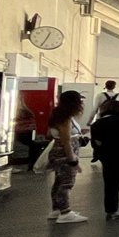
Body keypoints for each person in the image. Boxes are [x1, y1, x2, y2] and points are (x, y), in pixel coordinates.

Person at [46, 90, 88, 223]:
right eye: (79, 101)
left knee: (59, 181)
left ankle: (57, 209)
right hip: (64, 154)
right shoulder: (65, 118)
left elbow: (50, 134)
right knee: (67, 183)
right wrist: (72, 160)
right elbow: (66, 141)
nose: (81, 104)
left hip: (58, 152)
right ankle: (65, 212)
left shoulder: (58, 115)